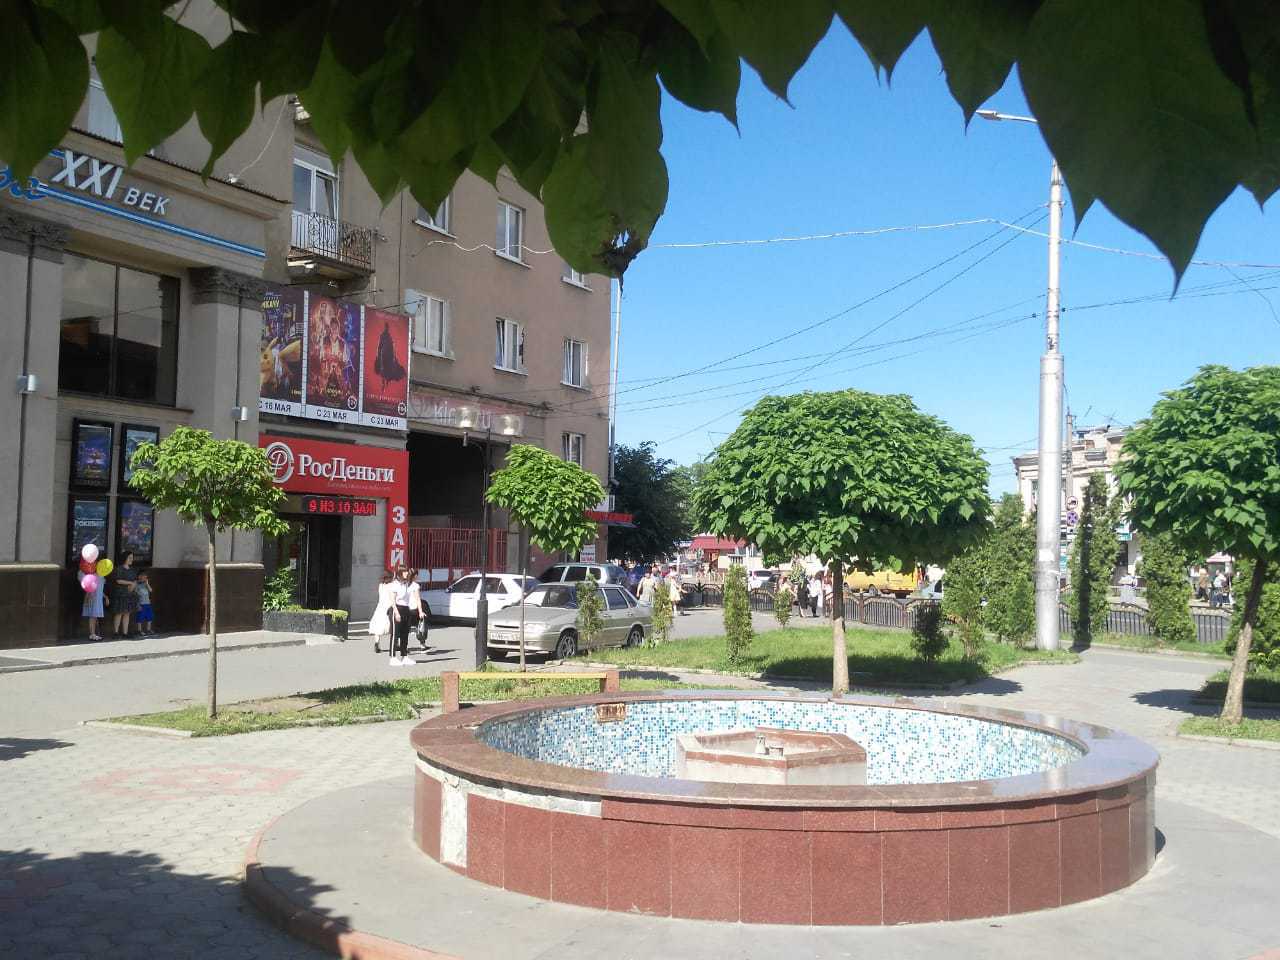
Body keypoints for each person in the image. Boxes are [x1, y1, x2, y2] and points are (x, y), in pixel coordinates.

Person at [390, 566, 417, 666]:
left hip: (406, 609)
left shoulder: (407, 584)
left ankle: (404, 656)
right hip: (397, 608)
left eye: (407, 571)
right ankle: (392, 657)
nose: (406, 573)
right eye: (404, 571)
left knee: (405, 634)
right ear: (400, 573)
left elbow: (412, 577)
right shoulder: (395, 584)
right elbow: (392, 600)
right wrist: (396, 613)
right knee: (395, 634)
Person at [110, 552, 138, 638]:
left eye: (132, 557)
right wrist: (130, 583)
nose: (131, 559)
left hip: (130, 594)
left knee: (127, 613)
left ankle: (125, 633)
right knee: (119, 613)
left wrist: (133, 586)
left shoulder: (132, 570)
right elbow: (118, 580)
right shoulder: (120, 568)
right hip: (121, 594)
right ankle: (115, 632)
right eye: (129, 557)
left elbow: (135, 580)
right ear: (125, 558)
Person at [369, 569, 396, 653]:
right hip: (389, 607)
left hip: (380, 607)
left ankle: (377, 642)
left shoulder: (381, 585)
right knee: (394, 625)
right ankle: (396, 643)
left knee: (377, 625)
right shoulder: (391, 586)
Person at [82, 567, 107, 641]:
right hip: (93, 598)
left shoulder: (102, 577)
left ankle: (94, 634)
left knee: (95, 617)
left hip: (98, 599)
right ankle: (92, 634)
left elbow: (100, 589)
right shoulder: (94, 576)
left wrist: (105, 597)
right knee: (92, 617)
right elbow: (89, 588)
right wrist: (87, 598)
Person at [135, 571, 155, 635]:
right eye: (143, 576)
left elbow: (151, 590)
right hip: (141, 604)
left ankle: (148, 629)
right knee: (140, 617)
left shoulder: (145, 584)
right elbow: (135, 595)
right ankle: (139, 630)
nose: (145, 578)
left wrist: (147, 584)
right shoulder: (136, 585)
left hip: (148, 603)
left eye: (146, 577)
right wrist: (138, 604)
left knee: (150, 617)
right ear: (139, 577)